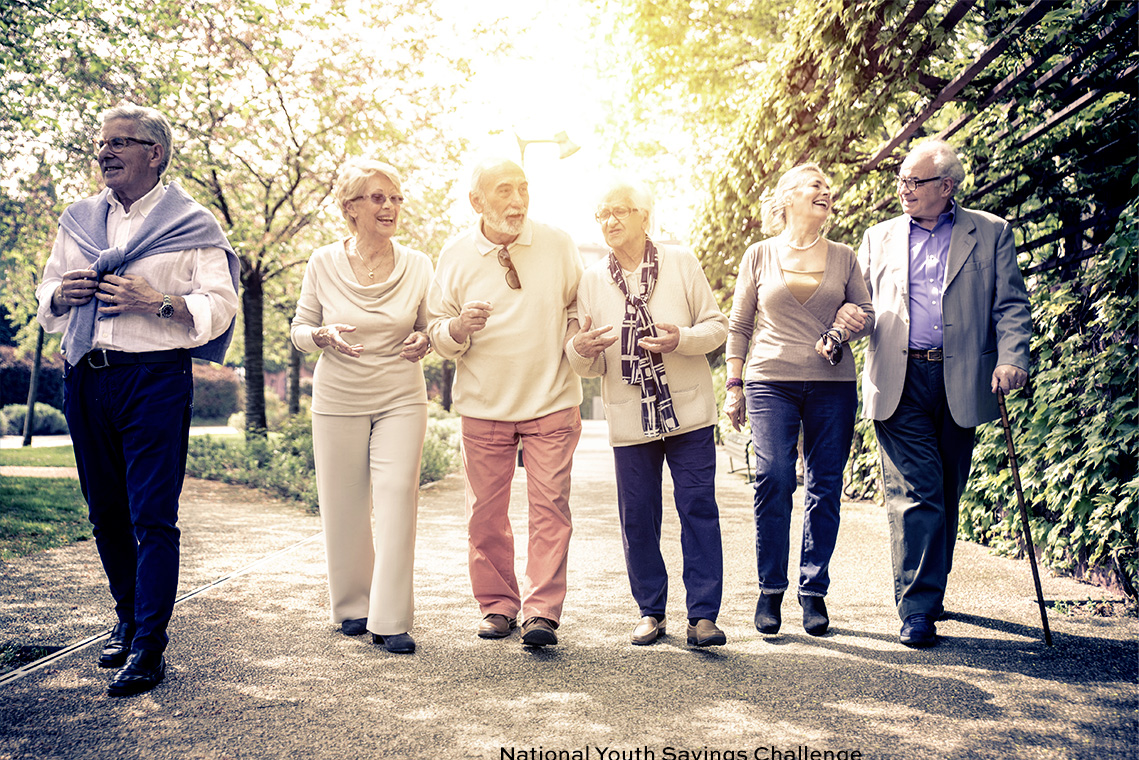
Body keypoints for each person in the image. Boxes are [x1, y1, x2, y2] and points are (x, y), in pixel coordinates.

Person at [35, 103, 240, 696]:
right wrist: (61, 292)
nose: (106, 152)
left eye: (121, 142)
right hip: (87, 376)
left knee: (152, 514)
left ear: (156, 153)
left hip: (153, 379)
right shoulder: (77, 220)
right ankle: (127, 618)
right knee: (105, 513)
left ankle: (150, 645)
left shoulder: (194, 224)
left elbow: (219, 306)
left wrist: (158, 302)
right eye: (102, 143)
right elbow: (47, 290)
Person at [854, 140, 1030, 647]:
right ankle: (917, 608)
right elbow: (863, 305)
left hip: (961, 379)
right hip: (898, 378)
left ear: (945, 187)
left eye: (914, 182)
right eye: (901, 181)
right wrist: (846, 321)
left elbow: (1011, 306)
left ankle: (931, 587)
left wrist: (1013, 355)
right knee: (917, 492)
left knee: (948, 490)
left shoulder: (990, 232)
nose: (903, 190)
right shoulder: (878, 237)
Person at [427, 158, 583, 648]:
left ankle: (541, 612)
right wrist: (457, 329)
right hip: (484, 405)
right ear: (477, 201)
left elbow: (579, 306)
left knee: (550, 509)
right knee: (485, 515)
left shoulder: (557, 244)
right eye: (503, 192)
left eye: (523, 188)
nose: (517, 201)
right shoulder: (454, 255)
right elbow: (435, 328)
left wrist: (581, 343)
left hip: (551, 399)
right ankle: (497, 605)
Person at [567, 180, 728, 648]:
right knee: (637, 515)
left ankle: (702, 616)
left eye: (619, 211)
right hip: (630, 413)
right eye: (601, 214)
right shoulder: (592, 280)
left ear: (644, 216)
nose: (609, 221)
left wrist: (683, 339)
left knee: (698, 507)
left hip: (688, 410)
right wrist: (580, 349)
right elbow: (589, 361)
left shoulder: (680, 262)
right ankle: (650, 611)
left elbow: (716, 326)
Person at [724, 163, 874, 637]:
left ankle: (813, 592)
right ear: (787, 198)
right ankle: (770, 590)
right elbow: (740, 324)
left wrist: (853, 317)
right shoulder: (759, 254)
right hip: (770, 379)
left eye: (828, 188)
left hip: (832, 384)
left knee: (826, 486)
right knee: (773, 476)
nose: (825, 191)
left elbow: (868, 314)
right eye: (815, 185)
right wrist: (733, 385)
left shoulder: (845, 256)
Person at [290, 159, 431, 655]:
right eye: (377, 197)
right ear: (350, 208)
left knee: (396, 499)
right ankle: (352, 606)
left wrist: (423, 341)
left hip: (400, 396)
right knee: (344, 504)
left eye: (394, 197)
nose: (389, 206)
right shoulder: (322, 262)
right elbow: (299, 328)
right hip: (337, 398)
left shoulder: (418, 264)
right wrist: (320, 336)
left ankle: (390, 618)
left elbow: (429, 328)